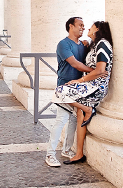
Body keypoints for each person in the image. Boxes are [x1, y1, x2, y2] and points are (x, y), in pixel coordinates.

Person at [53, 21, 114, 164]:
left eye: (91, 26)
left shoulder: (103, 44)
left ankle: (88, 109)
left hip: (97, 86)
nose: (87, 28)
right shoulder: (95, 44)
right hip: (90, 84)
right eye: (82, 25)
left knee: (60, 91)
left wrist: (80, 81)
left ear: (97, 29)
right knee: (79, 114)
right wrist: (86, 44)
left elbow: (100, 70)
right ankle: (79, 154)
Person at [44, 17, 98, 167]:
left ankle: (67, 150)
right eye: (80, 25)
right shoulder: (63, 44)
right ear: (70, 26)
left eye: (84, 26)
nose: (82, 28)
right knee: (61, 120)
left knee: (74, 120)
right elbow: (76, 64)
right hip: (64, 87)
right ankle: (50, 154)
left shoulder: (83, 45)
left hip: (78, 89)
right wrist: (95, 72)